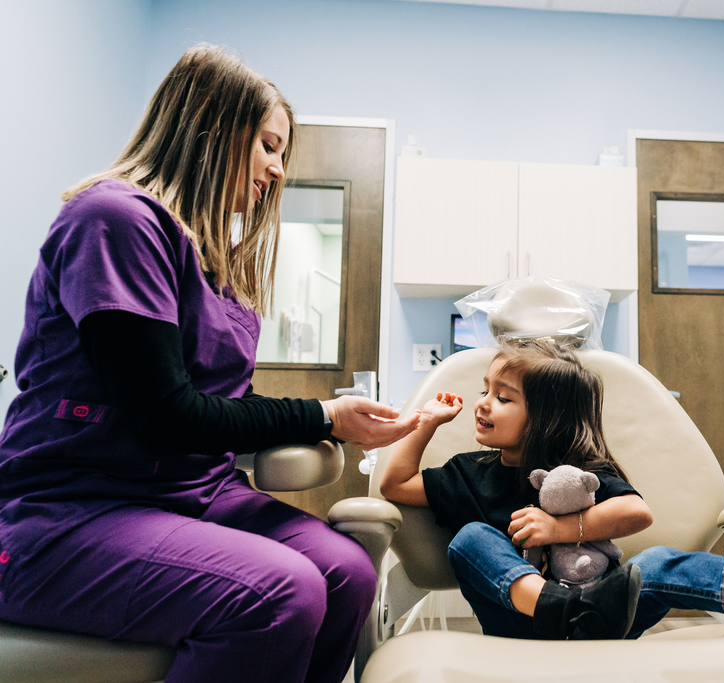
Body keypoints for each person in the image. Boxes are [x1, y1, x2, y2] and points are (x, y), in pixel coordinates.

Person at [0, 45, 419, 683]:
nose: (278, 171)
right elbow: (167, 416)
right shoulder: (115, 220)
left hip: (191, 496)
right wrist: (320, 412)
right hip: (70, 509)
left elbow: (220, 404)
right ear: (214, 129)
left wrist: (335, 421)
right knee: (281, 593)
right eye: (269, 146)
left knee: (348, 572)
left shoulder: (209, 262)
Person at [380, 339, 724, 640]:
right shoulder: (470, 471)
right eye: (485, 391)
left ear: (546, 419)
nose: (484, 404)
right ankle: (559, 609)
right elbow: (395, 484)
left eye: (503, 398)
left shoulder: (580, 468)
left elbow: (635, 512)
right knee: (472, 539)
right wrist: (424, 424)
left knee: (658, 562)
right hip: (521, 622)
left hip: (605, 615)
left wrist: (559, 527)